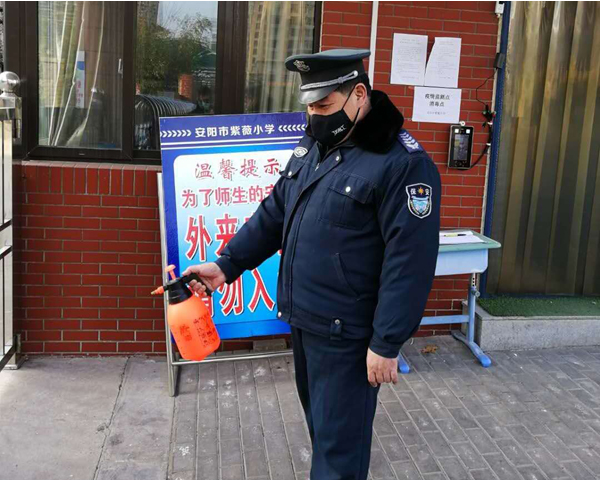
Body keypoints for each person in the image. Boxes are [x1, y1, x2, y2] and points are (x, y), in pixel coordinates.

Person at [183, 48, 441, 480]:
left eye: (323, 105)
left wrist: (387, 342)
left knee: (339, 455)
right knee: (323, 434)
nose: (314, 116)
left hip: (349, 335)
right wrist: (226, 265)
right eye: (309, 106)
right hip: (306, 323)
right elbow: (276, 210)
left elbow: (410, 263)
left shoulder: (403, 164)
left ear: (359, 95)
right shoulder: (317, 143)